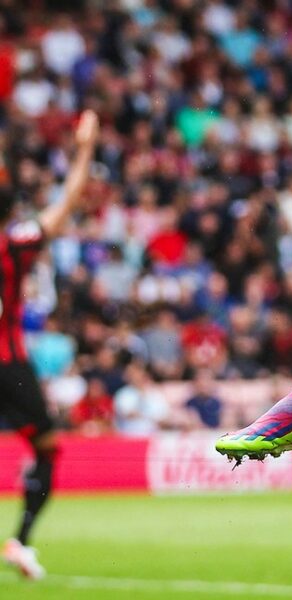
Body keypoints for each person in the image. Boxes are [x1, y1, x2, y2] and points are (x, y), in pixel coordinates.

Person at [1, 110, 99, 580]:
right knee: (47, 448)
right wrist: (84, 148)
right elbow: (67, 203)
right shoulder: (15, 243)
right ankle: (20, 539)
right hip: (7, 362)